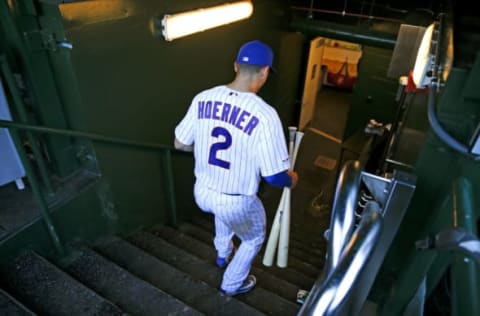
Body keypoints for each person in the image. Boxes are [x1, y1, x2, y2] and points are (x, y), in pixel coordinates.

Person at [174, 40, 298, 296]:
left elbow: (179, 143)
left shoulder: (203, 98)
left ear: (235, 66)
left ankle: (222, 254)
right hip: (235, 201)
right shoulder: (265, 115)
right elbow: (274, 177)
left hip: (203, 192)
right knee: (253, 238)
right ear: (265, 72)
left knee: (223, 213)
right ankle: (231, 283)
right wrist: (292, 179)